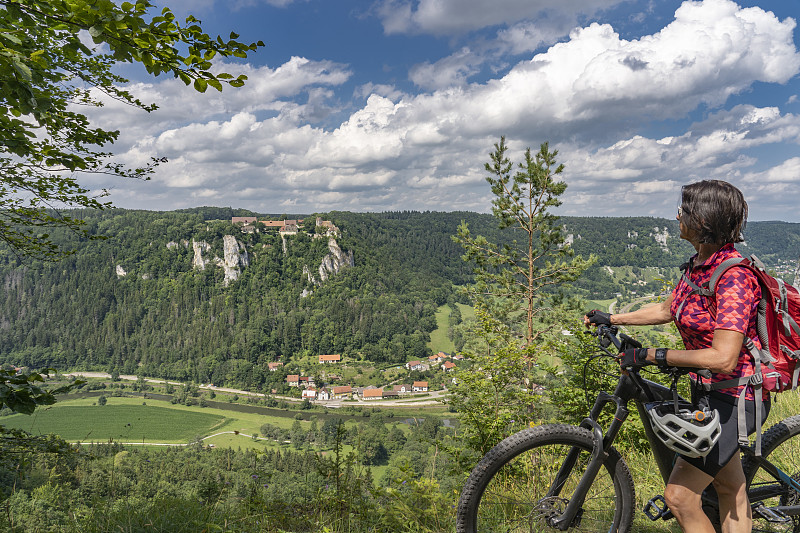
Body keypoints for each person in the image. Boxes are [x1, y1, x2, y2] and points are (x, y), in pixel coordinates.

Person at [585, 179, 769, 533]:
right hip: (708, 391)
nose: (676, 215)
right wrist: (614, 318)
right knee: (730, 486)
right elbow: (670, 308)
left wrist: (654, 355)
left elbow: (723, 358)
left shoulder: (734, 277)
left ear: (703, 221)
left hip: (737, 395)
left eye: (683, 210)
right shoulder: (700, 264)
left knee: (680, 497)